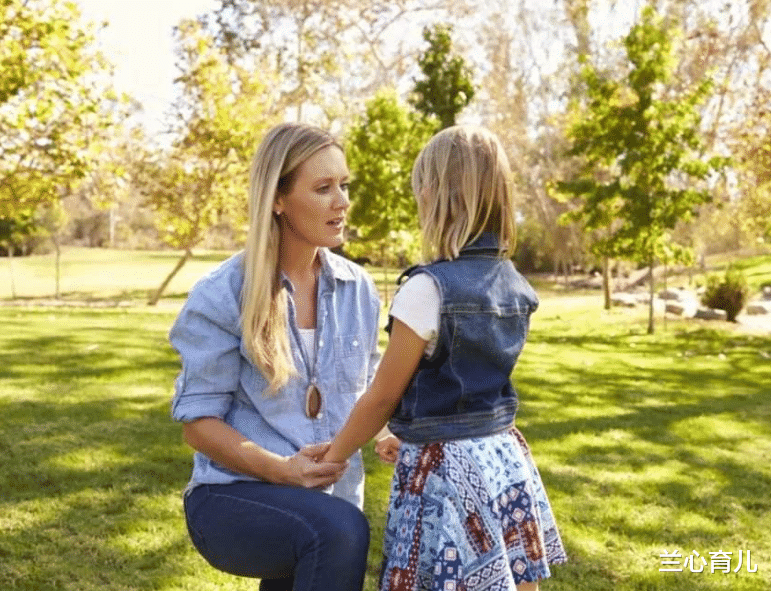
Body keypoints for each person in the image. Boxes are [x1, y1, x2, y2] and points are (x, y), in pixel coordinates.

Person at [324, 125, 567, 590]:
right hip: (502, 457)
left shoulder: (426, 289)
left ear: (432, 193)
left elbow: (381, 397)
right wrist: (413, 431)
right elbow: (469, 381)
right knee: (513, 575)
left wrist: (334, 457)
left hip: (447, 472)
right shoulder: (513, 281)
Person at [169, 122, 381, 591]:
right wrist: (282, 471)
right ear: (279, 200)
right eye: (323, 188)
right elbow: (198, 424)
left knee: (330, 528)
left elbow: (368, 386)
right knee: (339, 533)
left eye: (344, 185)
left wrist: (388, 432)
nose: (342, 201)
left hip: (329, 501)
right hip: (232, 499)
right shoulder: (222, 294)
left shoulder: (358, 290)